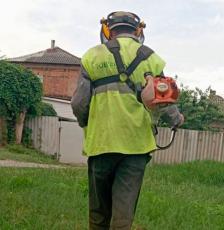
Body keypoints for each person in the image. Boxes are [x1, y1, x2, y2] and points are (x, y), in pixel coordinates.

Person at [71, 11, 183, 230]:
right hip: (136, 147)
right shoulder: (151, 58)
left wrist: (87, 123)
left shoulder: (92, 57)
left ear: (107, 30)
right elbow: (165, 97)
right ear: (138, 31)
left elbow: (78, 104)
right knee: (124, 212)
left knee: (98, 211)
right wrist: (176, 119)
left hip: (101, 143)